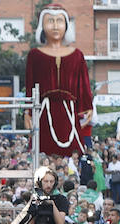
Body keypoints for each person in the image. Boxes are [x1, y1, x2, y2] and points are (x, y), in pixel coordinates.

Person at [25, 4, 92, 156]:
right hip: (44, 110)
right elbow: (30, 85)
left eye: (59, 21)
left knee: (75, 151)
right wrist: (28, 112)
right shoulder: (35, 55)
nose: (55, 26)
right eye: (50, 21)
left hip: (69, 110)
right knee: (41, 151)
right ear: (42, 25)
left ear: (66, 25)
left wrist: (87, 106)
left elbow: (84, 85)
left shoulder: (77, 55)